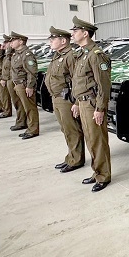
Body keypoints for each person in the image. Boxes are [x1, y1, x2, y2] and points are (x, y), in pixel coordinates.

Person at [69, 16, 112, 192]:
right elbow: (79, 82)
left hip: (93, 105)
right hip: (84, 103)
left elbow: (103, 85)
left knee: (98, 140)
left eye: (75, 31)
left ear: (85, 33)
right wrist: (77, 102)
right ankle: (97, 172)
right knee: (90, 139)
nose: (72, 34)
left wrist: (100, 108)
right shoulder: (82, 54)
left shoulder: (96, 55)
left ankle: (103, 175)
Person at [45, 26, 85, 173]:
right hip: (57, 97)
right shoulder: (57, 55)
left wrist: (76, 102)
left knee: (72, 129)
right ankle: (71, 156)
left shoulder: (71, 56)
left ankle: (76, 160)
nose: (50, 41)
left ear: (63, 40)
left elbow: (77, 80)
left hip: (66, 98)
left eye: (53, 39)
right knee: (65, 129)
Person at [9, 31, 39, 139]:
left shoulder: (27, 55)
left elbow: (32, 72)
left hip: (24, 84)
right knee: (21, 106)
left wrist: (30, 86)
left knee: (30, 108)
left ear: (21, 41)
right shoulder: (16, 54)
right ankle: (22, 123)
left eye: (13, 40)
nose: (11, 43)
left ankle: (33, 129)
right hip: (17, 84)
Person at [0, 36, 13, 119]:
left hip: (10, 79)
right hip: (5, 79)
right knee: (2, 96)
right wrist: (1, 50)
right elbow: (0, 64)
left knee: (7, 98)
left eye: (5, 43)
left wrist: (4, 78)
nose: (4, 45)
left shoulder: (12, 54)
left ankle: (7, 111)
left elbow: (9, 68)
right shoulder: (6, 55)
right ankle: (5, 110)